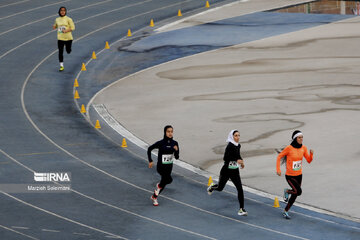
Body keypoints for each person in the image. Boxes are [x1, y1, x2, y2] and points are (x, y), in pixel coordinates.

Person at [207, 130, 247, 216]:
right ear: (232, 137)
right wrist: (237, 160)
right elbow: (226, 158)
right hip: (226, 170)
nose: (238, 137)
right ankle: (212, 187)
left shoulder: (238, 145)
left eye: (239, 135)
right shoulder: (229, 146)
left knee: (240, 189)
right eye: (236, 135)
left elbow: (238, 155)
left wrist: (242, 162)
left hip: (235, 171)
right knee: (220, 188)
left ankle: (241, 209)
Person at [276, 130, 314, 219]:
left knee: (295, 194)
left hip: (299, 175)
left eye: (302, 137)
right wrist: (278, 169)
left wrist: (311, 154)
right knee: (298, 191)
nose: (301, 139)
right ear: (295, 138)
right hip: (290, 175)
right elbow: (279, 156)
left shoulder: (303, 148)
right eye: (299, 137)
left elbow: (308, 160)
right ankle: (287, 191)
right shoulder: (289, 148)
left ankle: (286, 211)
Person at [147, 125, 179, 206]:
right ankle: (158, 187)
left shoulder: (175, 143)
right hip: (161, 167)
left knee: (167, 181)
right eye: (168, 131)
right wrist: (150, 160)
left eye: (171, 131)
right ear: (165, 132)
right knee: (166, 180)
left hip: (169, 167)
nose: (170, 133)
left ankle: (154, 197)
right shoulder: (161, 143)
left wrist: (176, 150)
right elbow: (149, 149)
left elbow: (177, 157)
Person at [53, 6, 75, 71]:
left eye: (64, 10)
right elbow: (55, 25)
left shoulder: (69, 19)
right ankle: (61, 66)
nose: (62, 12)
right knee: (60, 52)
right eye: (61, 10)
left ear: (65, 12)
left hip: (68, 38)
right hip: (60, 38)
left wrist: (66, 30)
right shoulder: (57, 19)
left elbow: (73, 27)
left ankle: (68, 49)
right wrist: (54, 26)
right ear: (59, 12)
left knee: (68, 51)